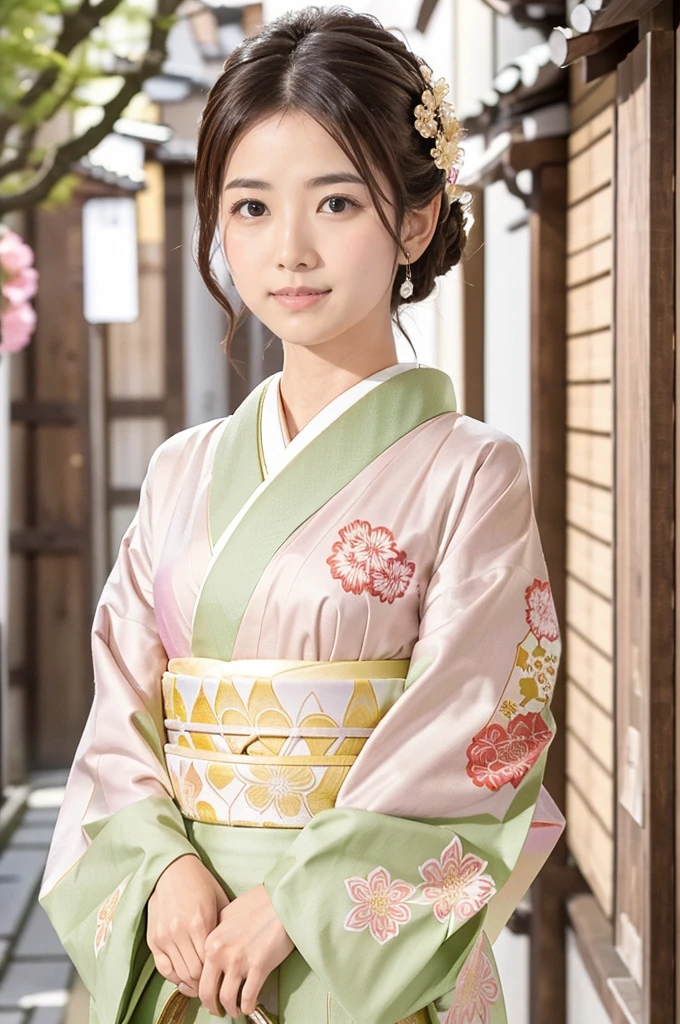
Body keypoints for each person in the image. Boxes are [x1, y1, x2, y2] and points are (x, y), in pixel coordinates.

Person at [39, 7, 565, 1024]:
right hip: (185, 942)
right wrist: (159, 869)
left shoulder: (471, 472)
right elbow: (118, 711)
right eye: (248, 208)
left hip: (349, 948)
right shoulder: (180, 470)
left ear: (412, 220)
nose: (288, 249)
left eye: (333, 203)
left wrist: (295, 902)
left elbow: (477, 727)